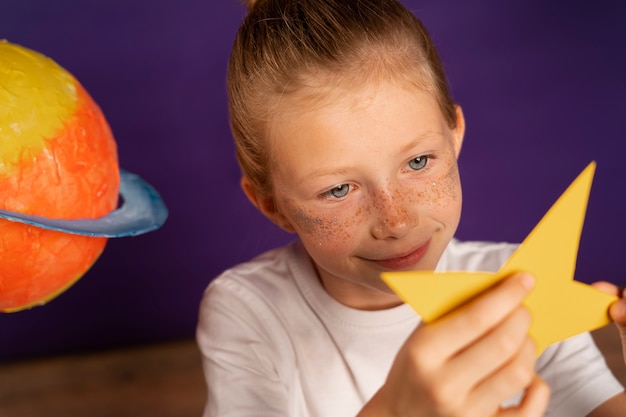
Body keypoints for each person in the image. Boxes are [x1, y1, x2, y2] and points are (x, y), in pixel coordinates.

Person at [196, 0, 626, 415]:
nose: (397, 221)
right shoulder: (248, 312)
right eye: (339, 189)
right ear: (273, 206)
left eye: (418, 162)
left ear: (453, 136)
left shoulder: (518, 285)